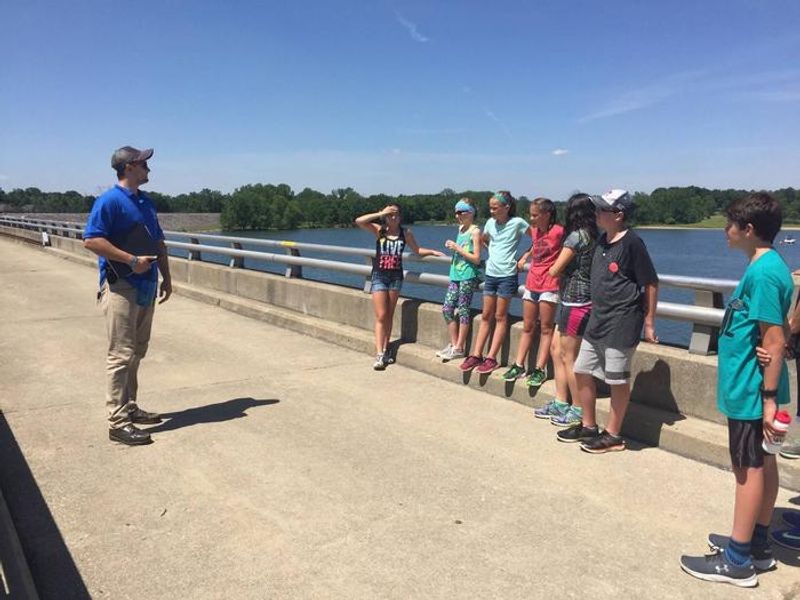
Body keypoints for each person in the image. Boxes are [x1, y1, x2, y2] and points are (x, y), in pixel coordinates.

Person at [680, 192, 793, 587]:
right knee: (764, 464)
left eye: (730, 225)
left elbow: (775, 341)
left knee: (747, 471)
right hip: (758, 388)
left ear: (748, 230)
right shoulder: (768, 266)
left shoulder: (763, 274)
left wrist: (766, 400)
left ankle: (738, 559)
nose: (724, 232)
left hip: (752, 391)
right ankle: (757, 545)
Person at [556, 189, 659, 452]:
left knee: (616, 379)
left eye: (602, 210)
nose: (597, 214)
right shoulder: (602, 240)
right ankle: (589, 425)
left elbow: (650, 282)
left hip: (622, 321)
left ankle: (613, 434)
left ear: (619, 215)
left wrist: (649, 322)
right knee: (581, 370)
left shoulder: (632, 243)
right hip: (597, 320)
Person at [83, 146, 172, 446]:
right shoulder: (109, 201)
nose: (149, 169)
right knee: (121, 354)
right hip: (122, 285)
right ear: (130, 166)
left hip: (147, 283)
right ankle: (117, 422)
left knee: (137, 351)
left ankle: (130, 407)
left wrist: (167, 278)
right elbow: (92, 240)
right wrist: (131, 260)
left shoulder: (146, 202)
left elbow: (159, 242)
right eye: (145, 164)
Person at [534, 194, 598, 427]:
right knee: (555, 349)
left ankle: (577, 408)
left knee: (569, 357)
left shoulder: (576, 237)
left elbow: (555, 269)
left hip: (577, 302)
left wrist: (550, 266)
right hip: (574, 301)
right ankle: (561, 401)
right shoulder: (593, 235)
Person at [355, 204, 443, 370]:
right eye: (390, 214)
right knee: (381, 315)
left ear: (400, 217)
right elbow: (359, 221)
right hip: (379, 276)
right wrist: (381, 212)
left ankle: (386, 349)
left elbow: (417, 250)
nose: (392, 217)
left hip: (395, 277)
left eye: (395, 214)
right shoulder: (379, 230)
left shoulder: (405, 233)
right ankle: (379, 353)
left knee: (389, 315)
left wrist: (432, 251)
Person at [460, 191, 530, 374]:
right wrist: (491, 252)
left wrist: (523, 258)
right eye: (490, 208)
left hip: (507, 275)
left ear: (507, 207)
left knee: (500, 316)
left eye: (495, 208)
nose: (491, 211)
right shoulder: (490, 223)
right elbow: (484, 239)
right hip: (491, 273)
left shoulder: (518, 223)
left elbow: (538, 239)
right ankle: (476, 354)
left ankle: (491, 358)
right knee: (485, 315)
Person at [501, 198, 564, 386]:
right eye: (531, 214)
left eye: (535, 215)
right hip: (532, 283)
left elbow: (572, 249)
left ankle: (540, 368)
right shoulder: (535, 231)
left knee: (546, 328)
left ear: (547, 214)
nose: (532, 218)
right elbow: (534, 244)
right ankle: (519, 365)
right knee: (527, 326)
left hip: (550, 284)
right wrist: (525, 256)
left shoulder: (559, 231)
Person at [437, 198, 482, 361]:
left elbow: (477, 258)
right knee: (447, 309)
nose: (457, 215)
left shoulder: (475, 231)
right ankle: (455, 344)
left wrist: (457, 248)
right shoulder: (461, 229)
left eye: (461, 212)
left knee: (463, 310)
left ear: (470, 213)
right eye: (456, 212)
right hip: (455, 274)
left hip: (468, 275)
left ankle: (459, 347)